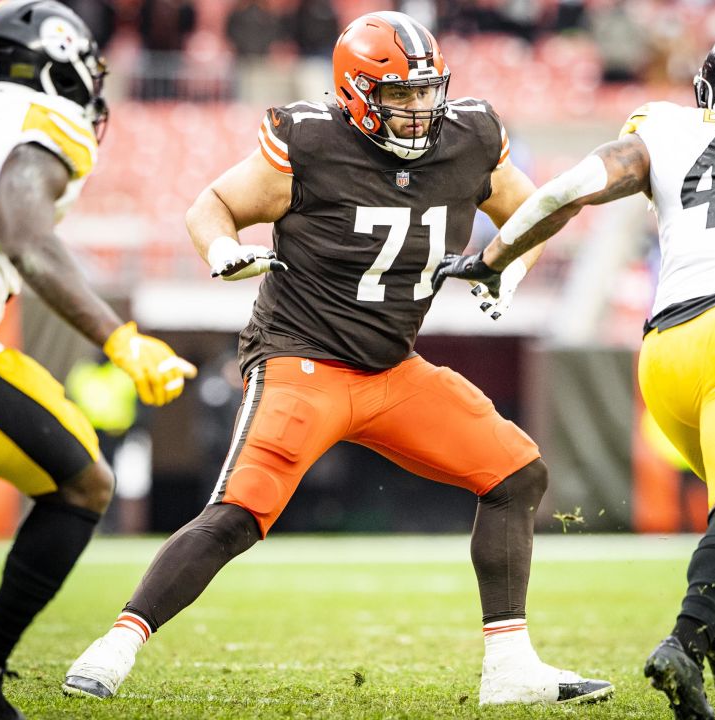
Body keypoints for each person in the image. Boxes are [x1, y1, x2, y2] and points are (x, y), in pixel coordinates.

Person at [62, 10, 611, 707]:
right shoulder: (311, 142)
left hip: (391, 368)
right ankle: (116, 645)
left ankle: (509, 668)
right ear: (354, 95)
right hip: (303, 359)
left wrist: (512, 265)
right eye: (400, 97)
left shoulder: (470, 136)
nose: (419, 112)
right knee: (238, 513)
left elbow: (531, 214)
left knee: (516, 473)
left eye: (427, 93)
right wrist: (223, 250)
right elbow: (213, 205)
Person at [436, 23, 715, 720]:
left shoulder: (667, 129)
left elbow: (572, 187)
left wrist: (496, 258)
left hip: (664, 351)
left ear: (708, 89)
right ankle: (685, 642)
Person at [0, 2, 196, 717]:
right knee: (85, 483)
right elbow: (25, 236)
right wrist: (120, 338)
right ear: (55, 61)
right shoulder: (42, 120)